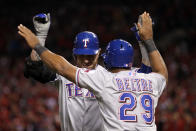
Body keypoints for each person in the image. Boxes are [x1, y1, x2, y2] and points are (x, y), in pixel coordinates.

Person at [18, 12, 166, 131]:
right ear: (74, 54)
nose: (86, 60)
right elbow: (34, 68)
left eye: (90, 56)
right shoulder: (65, 77)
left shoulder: (108, 76)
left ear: (98, 53)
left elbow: (144, 73)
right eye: (82, 56)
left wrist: (38, 44)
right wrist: (40, 36)